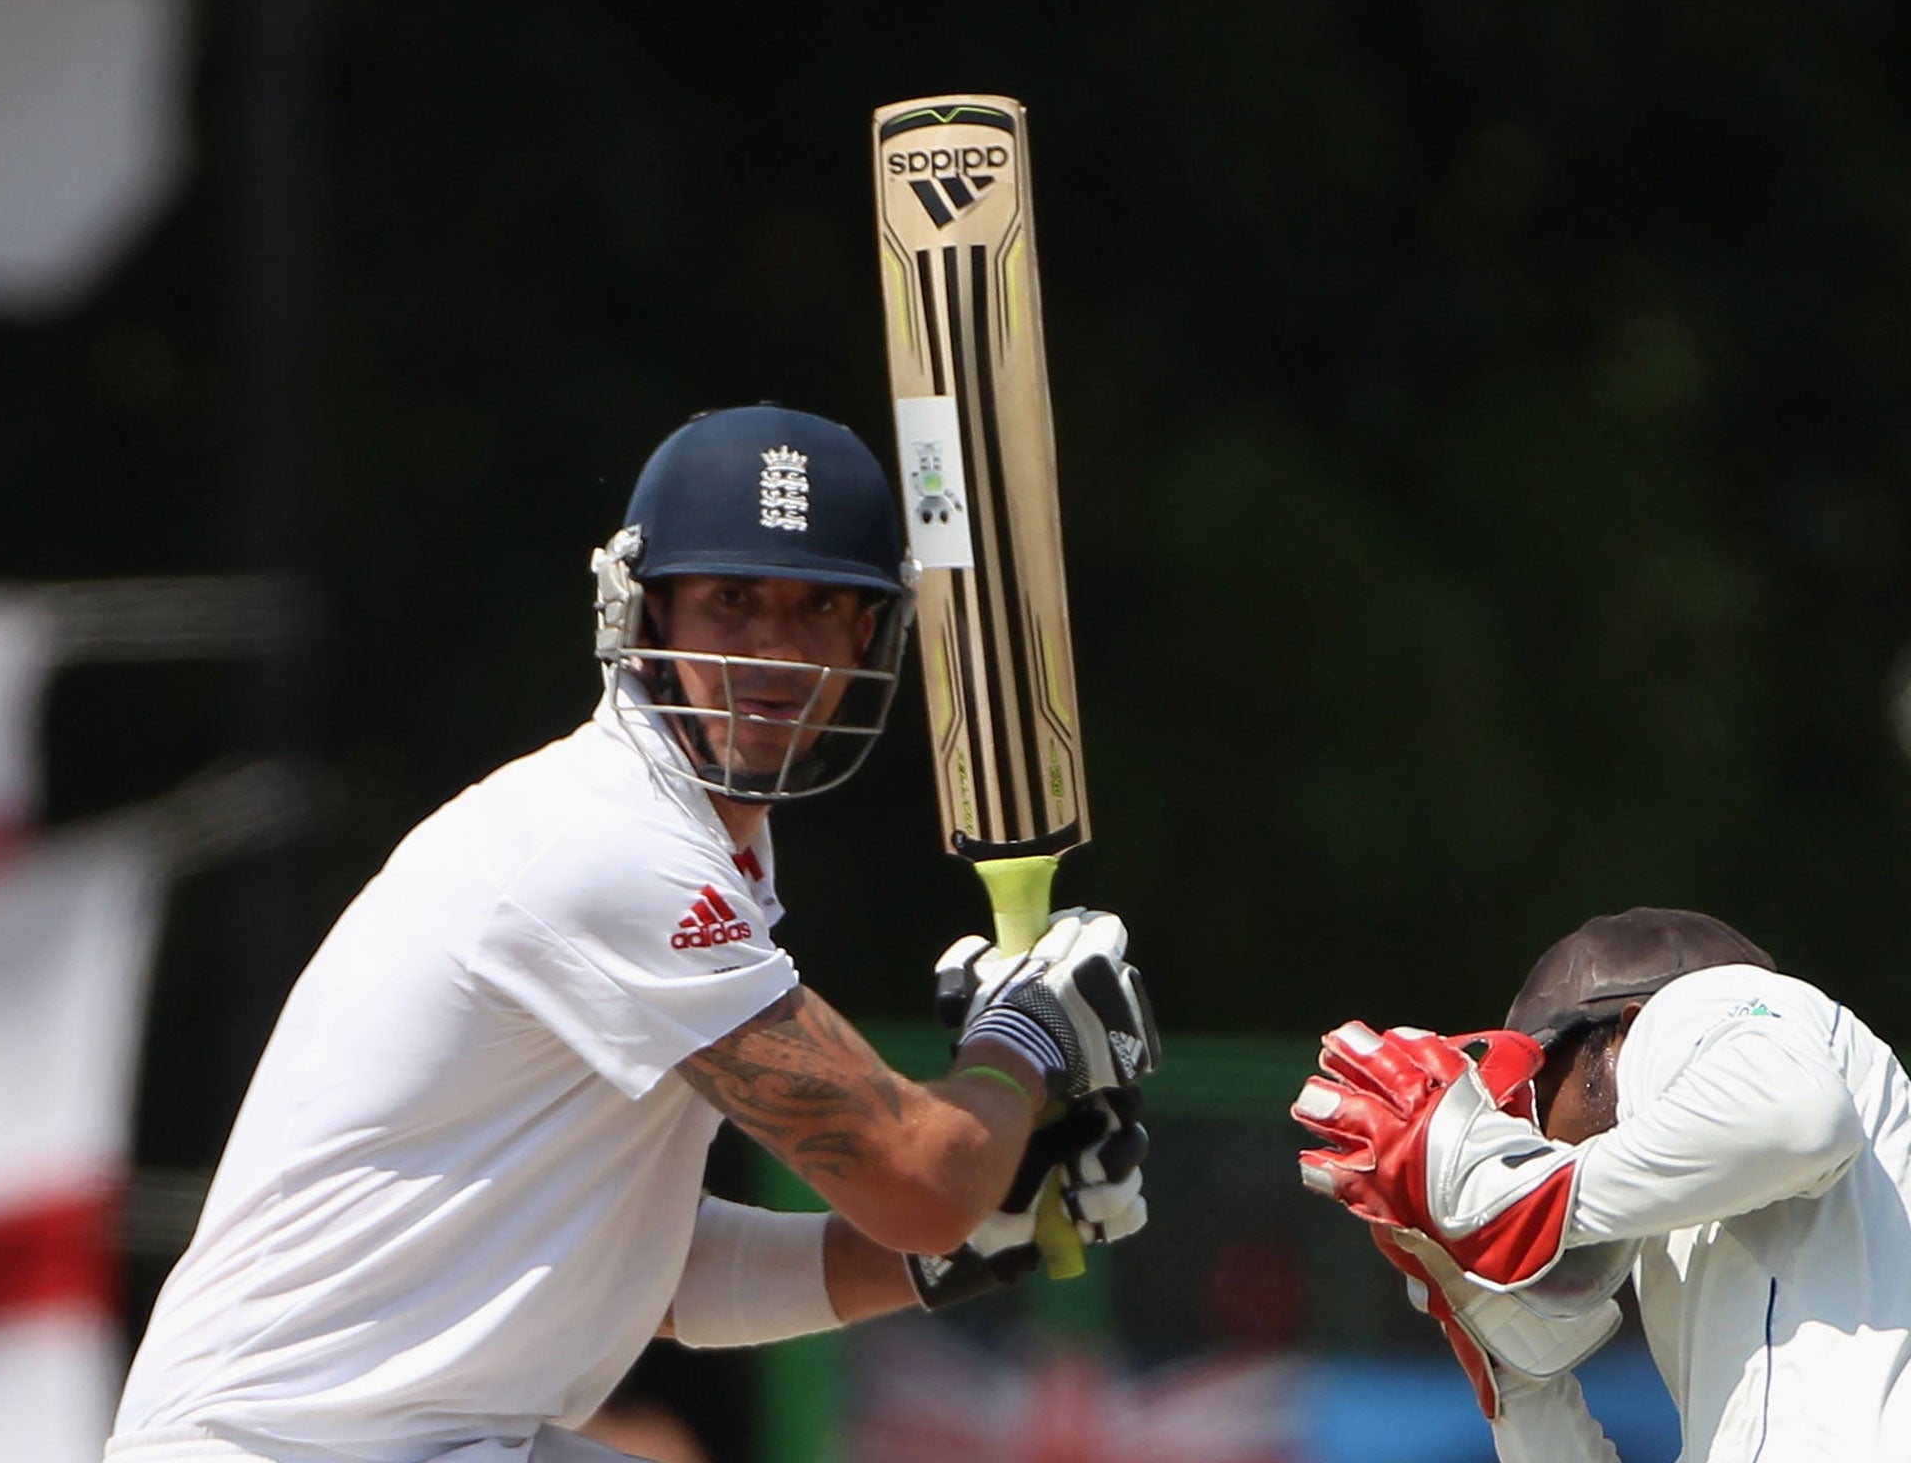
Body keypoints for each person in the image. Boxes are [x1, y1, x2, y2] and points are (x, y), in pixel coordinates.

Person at [105, 405, 1157, 1463]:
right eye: (732, 600)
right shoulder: (606, 848)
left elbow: (653, 1274)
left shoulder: (686, 855)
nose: (775, 652)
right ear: (641, 611)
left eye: (821, 605)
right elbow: (919, 1180)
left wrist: (969, 1238)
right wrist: (1022, 1039)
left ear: (869, 634)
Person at [1290, 905, 1911, 1462]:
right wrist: (1519, 1383)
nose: (1538, 1139)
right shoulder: (1721, 1253)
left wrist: (1532, 1203)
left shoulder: (1703, 1004)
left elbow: (1798, 1121)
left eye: (1540, 1090)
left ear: (1622, 1031)